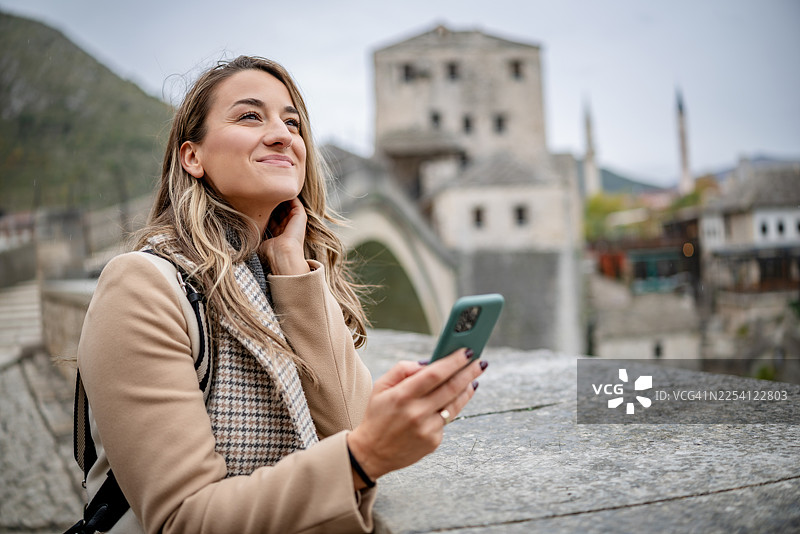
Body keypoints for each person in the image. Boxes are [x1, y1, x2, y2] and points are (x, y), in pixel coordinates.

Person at [76, 55, 487, 533]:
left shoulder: (284, 275)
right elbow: (183, 519)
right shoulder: (141, 286)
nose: (282, 134)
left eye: (292, 122)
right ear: (193, 157)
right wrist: (366, 454)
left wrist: (293, 270)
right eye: (250, 116)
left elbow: (348, 427)